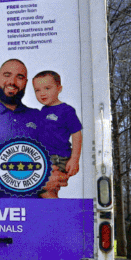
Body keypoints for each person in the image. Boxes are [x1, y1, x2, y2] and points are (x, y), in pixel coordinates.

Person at [0, 58, 67, 198]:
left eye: (20, 77)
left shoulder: (38, 117)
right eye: (7, 75)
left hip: (40, 213)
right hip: (1, 215)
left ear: (25, 83)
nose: (12, 81)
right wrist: (39, 182)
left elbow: (54, 168)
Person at [32, 70, 82, 198]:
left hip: (58, 157)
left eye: (47, 88)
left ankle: (60, 215)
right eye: (37, 90)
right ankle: (52, 214)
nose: (42, 93)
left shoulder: (66, 110)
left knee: (46, 188)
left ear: (59, 89)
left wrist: (75, 159)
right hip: (43, 157)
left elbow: (76, 134)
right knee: (42, 189)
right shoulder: (42, 111)